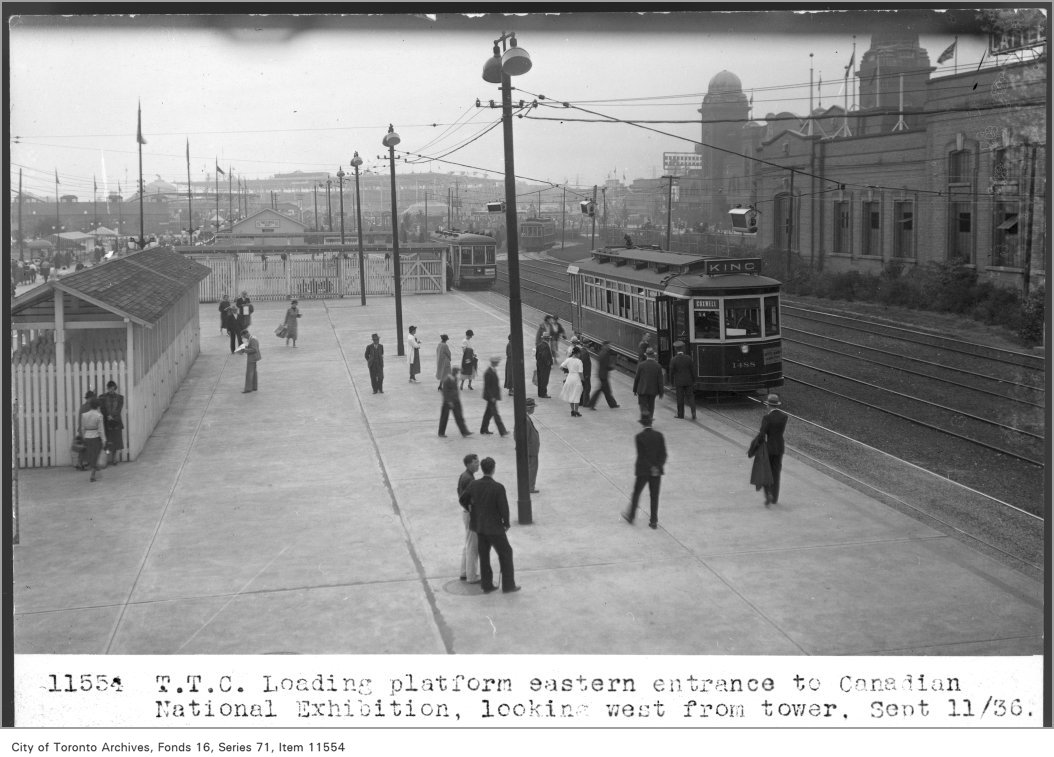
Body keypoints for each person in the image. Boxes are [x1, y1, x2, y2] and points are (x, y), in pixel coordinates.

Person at [460, 457, 521, 594]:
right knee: (506, 553)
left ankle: (486, 585)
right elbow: (503, 508)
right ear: (493, 469)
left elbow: (463, 499)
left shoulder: (474, 485)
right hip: (494, 528)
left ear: (482, 469)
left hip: (480, 527)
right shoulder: (498, 487)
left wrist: (471, 509)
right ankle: (508, 585)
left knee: (484, 555)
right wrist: (506, 523)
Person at [622, 414, 667, 529]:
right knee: (654, 496)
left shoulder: (639, 437)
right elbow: (663, 454)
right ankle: (653, 521)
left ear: (642, 424)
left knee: (637, 493)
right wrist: (657, 466)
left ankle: (631, 516)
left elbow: (642, 456)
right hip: (657, 472)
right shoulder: (659, 435)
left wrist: (650, 467)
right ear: (651, 423)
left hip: (643, 471)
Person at [757, 393, 789, 505]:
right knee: (776, 473)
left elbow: (762, 435)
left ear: (768, 405)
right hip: (779, 447)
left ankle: (768, 494)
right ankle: (775, 497)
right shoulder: (784, 417)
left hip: (769, 448)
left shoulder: (767, 418)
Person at [457, 453, 481, 584]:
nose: (478, 464)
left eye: (478, 462)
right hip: (470, 514)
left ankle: (464, 572)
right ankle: (472, 576)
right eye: (475, 462)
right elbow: (467, 498)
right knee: (473, 546)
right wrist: (472, 508)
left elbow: (459, 493)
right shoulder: (470, 480)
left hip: (466, 512)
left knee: (468, 543)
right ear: (468, 464)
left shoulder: (464, 476)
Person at [479, 356, 509, 436]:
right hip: (491, 397)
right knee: (496, 415)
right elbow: (487, 387)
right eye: (497, 362)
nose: (498, 363)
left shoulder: (492, 370)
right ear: (494, 363)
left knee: (488, 414)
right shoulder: (488, 372)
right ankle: (502, 431)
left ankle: (483, 429)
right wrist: (492, 397)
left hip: (492, 396)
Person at [439, 367, 472, 438]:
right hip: (447, 402)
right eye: (456, 373)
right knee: (444, 417)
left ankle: (464, 432)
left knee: (459, 416)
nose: (457, 374)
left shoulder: (455, 379)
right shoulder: (447, 380)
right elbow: (445, 392)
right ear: (453, 372)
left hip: (455, 400)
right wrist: (449, 401)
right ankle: (441, 433)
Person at [80, 397, 107, 483]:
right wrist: (104, 440)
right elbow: (101, 430)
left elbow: (83, 428)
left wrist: (84, 436)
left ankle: (93, 470)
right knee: (96, 456)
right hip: (96, 437)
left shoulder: (84, 415)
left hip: (87, 436)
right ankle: (93, 474)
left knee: (91, 455)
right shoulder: (99, 415)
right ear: (98, 406)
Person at [586, 340, 620, 410]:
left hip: (602, 374)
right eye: (608, 345)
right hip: (603, 375)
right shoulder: (605, 354)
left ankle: (613, 404)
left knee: (607, 391)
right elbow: (605, 365)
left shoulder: (602, 352)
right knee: (600, 390)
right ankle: (591, 404)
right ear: (604, 346)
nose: (609, 347)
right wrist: (612, 367)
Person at [632, 348, 665, 419]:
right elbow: (660, 381)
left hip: (642, 390)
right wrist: (661, 392)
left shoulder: (641, 365)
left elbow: (637, 378)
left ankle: (645, 421)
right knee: (651, 406)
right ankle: (649, 421)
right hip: (653, 391)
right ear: (654, 356)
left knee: (643, 406)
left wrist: (635, 390)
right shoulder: (658, 366)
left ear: (646, 355)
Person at [668, 342, 697, 420]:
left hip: (679, 382)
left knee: (680, 398)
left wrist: (671, 382)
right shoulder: (688, 358)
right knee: (691, 397)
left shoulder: (673, 359)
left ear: (675, 349)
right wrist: (694, 380)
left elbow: (671, 372)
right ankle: (693, 412)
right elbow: (693, 370)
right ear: (683, 348)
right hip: (688, 381)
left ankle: (680, 415)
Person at [99, 381, 125, 465]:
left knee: (116, 441)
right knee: (108, 441)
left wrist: (112, 416)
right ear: (107, 388)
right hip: (107, 422)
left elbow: (119, 409)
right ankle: (106, 459)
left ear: (115, 388)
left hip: (116, 421)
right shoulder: (102, 398)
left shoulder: (120, 398)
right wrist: (107, 415)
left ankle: (115, 459)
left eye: (112, 388)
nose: (110, 390)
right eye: (109, 388)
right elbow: (102, 408)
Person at [520, 397, 541, 493]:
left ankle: (528, 485)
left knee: (530, 467)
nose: (534, 409)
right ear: (528, 408)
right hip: (530, 450)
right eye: (533, 407)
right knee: (532, 468)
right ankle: (530, 487)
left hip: (530, 449)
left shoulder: (526, 418)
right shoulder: (526, 420)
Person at [559, 346, 585, 417]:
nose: (580, 355)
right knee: (576, 395)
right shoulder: (579, 361)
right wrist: (583, 380)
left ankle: (572, 411)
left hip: (569, 378)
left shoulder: (568, 359)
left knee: (571, 394)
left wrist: (568, 371)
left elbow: (561, 367)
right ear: (576, 353)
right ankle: (576, 411)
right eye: (579, 353)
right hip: (576, 379)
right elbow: (580, 373)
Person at [75, 389, 96, 470]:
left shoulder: (83, 406)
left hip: (82, 429)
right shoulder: (89, 407)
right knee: (86, 448)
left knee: (83, 447)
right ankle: (81, 463)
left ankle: (80, 463)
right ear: (90, 398)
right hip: (87, 430)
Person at [240, 328, 261, 393]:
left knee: (249, 373)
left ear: (246, 334)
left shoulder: (252, 340)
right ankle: (254, 387)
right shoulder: (252, 338)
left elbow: (254, 349)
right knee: (253, 372)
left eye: (243, 336)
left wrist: (245, 350)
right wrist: (245, 347)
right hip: (254, 357)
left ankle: (248, 388)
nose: (243, 337)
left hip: (252, 358)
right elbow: (251, 347)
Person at [575, 336, 592, 406]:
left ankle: (581, 402)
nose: (589, 345)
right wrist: (586, 375)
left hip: (581, 373)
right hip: (585, 373)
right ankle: (586, 403)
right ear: (586, 344)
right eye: (588, 344)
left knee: (582, 387)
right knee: (587, 388)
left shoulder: (581, 351)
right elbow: (584, 364)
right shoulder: (585, 353)